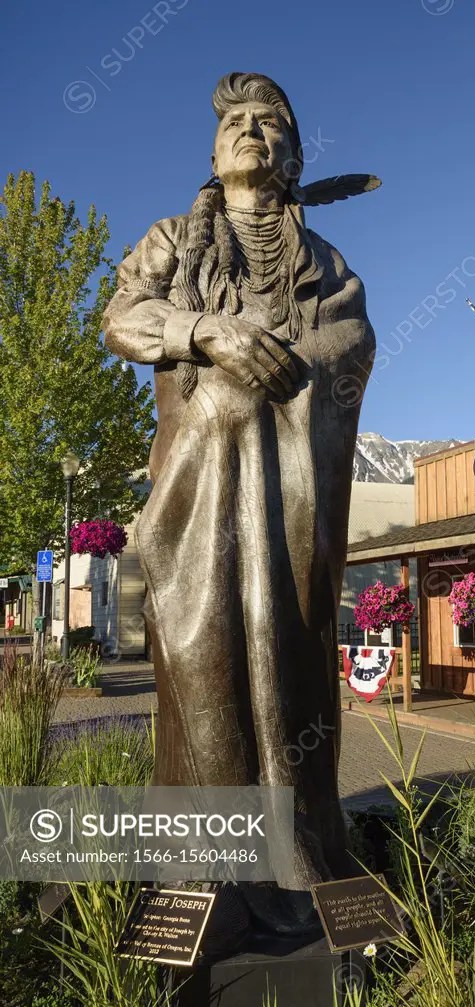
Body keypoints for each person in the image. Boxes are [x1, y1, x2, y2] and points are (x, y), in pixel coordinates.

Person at [103, 72, 377, 932]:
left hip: (291, 503)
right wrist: (207, 334)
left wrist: (284, 371)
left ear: (292, 158)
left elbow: (352, 340)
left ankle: (299, 853)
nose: (254, 132)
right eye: (238, 126)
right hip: (197, 497)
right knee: (200, 661)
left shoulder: (325, 262)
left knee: (292, 656)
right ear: (216, 157)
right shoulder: (174, 240)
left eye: (272, 124)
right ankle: (207, 871)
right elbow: (121, 316)